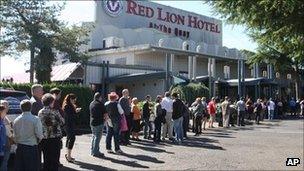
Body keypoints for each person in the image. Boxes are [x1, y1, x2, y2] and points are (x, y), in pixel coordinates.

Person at [13, 100, 44, 171]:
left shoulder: (16, 120)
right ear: (31, 108)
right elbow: (39, 135)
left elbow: (15, 136)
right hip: (31, 147)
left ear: (21, 108)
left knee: (20, 168)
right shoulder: (35, 119)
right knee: (32, 168)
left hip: (20, 147)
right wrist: (38, 141)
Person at [38, 94, 64, 171]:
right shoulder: (55, 112)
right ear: (50, 102)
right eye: (53, 102)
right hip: (55, 138)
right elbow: (62, 122)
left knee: (46, 159)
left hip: (44, 138)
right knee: (55, 159)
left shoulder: (40, 112)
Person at [62, 94, 81, 162]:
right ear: (70, 99)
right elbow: (70, 116)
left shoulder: (68, 105)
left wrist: (75, 111)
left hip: (68, 125)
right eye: (74, 99)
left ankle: (68, 155)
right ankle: (68, 156)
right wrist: (76, 112)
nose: (75, 101)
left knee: (69, 139)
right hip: (68, 125)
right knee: (72, 139)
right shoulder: (68, 106)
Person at [49, 88, 64, 167]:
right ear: (55, 94)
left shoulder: (54, 102)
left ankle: (55, 161)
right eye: (59, 94)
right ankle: (56, 162)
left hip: (52, 129)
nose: (60, 96)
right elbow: (60, 117)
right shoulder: (55, 103)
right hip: (55, 129)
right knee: (56, 148)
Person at [89, 92, 107, 157]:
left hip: (92, 122)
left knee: (94, 137)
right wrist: (106, 121)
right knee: (97, 138)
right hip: (99, 123)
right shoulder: (101, 104)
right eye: (101, 97)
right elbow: (105, 114)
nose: (101, 98)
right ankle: (96, 152)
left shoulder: (91, 103)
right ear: (99, 97)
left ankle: (93, 151)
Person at [0, 100, 13, 171]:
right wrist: (13, 138)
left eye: (7, 106)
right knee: (4, 162)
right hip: (4, 144)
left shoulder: (4, 117)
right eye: (4, 106)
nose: (6, 107)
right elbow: (8, 132)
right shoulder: (3, 119)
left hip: (5, 143)